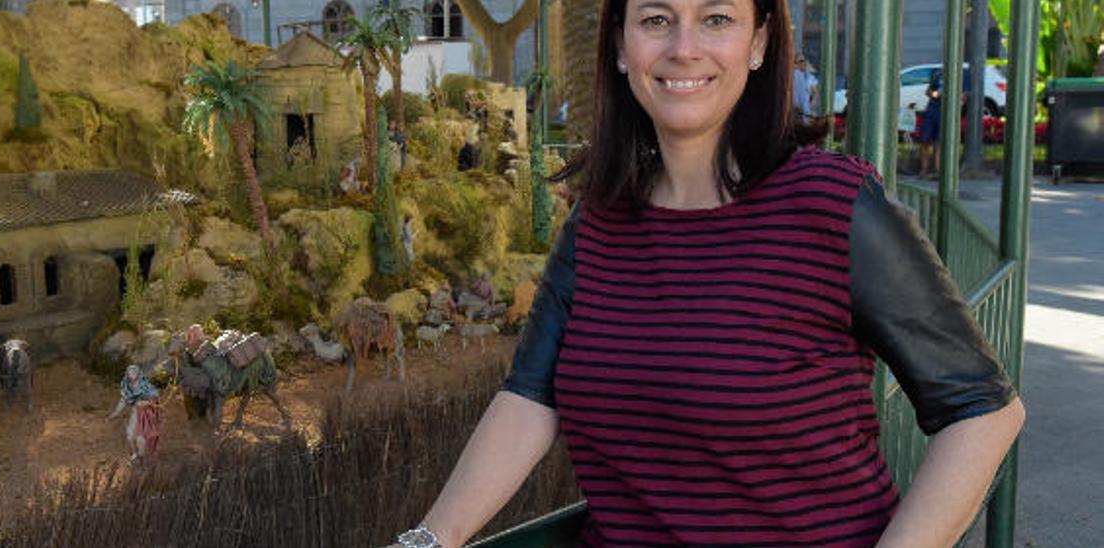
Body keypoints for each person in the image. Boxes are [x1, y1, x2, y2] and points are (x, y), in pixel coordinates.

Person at [393, 1, 1024, 547]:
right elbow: (530, 397)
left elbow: (984, 412)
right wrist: (430, 539)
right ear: (619, 45)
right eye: (657, 19)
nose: (683, 47)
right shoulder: (598, 223)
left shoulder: (834, 207)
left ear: (758, 44)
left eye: (716, 18)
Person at [109, 364, 162, 463]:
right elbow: (123, 400)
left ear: (138, 373)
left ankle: (141, 457)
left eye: (134, 371)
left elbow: (156, 398)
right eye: (130, 372)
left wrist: (146, 402)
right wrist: (116, 412)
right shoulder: (127, 387)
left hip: (145, 414)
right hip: (135, 413)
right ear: (127, 374)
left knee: (141, 437)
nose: (132, 373)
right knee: (130, 435)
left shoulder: (146, 386)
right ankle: (135, 454)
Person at [792, 52, 817, 118]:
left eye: (804, 60)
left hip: (805, 110)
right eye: (800, 61)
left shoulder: (809, 77)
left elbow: (814, 93)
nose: (803, 63)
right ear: (795, 63)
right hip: (794, 110)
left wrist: (811, 104)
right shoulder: (792, 76)